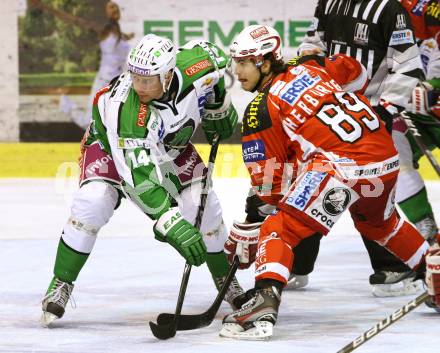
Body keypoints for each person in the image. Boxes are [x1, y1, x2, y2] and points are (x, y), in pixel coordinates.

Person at [218, 24, 439, 340]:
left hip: (342, 168)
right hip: (385, 156)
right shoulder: (314, 66)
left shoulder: (259, 111)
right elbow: (357, 73)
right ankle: (431, 276)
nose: (236, 71)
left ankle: (262, 307)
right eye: (235, 62)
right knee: (382, 225)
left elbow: (272, 189)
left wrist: (252, 226)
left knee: (280, 228)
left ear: (265, 62)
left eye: (243, 62)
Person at [40, 34, 244, 326]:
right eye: (135, 77)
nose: (140, 86)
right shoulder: (128, 111)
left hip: (170, 147)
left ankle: (226, 281)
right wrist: (167, 220)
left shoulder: (199, 64)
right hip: (111, 148)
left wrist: (218, 106)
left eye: (148, 80)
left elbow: (216, 72)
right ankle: (61, 283)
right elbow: (140, 179)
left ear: (169, 74)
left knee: (204, 205)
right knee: (94, 202)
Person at [292, 0, 437, 297]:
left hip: (370, 117)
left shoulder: (389, 9)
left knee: (363, 191)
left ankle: (396, 265)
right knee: (313, 183)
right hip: (330, 114)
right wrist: (310, 66)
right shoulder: (328, 2)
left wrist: (384, 111)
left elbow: (407, 68)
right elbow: (313, 43)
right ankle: (299, 263)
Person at [29, 0, 134, 129]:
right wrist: (46, 8)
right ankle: (64, 102)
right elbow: (73, 20)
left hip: (118, 84)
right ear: (105, 13)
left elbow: (123, 42)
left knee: (119, 121)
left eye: (115, 7)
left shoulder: (120, 34)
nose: (114, 9)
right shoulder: (103, 30)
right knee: (89, 122)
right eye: (110, 8)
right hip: (104, 83)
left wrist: (129, 36)